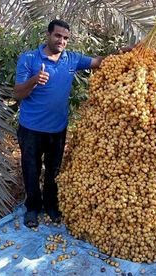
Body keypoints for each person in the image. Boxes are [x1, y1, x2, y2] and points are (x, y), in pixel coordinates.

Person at [14, 19, 131, 228]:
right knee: (31, 169)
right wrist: (34, 80)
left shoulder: (71, 59)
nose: (62, 41)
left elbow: (99, 61)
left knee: (54, 169)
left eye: (66, 38)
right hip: (31, 128)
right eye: (58, 36)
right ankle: (32, 208)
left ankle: (51, 205)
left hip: (57, 129)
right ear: (48, 35)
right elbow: (18, 93)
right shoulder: (29, 58)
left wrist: (125, 51)